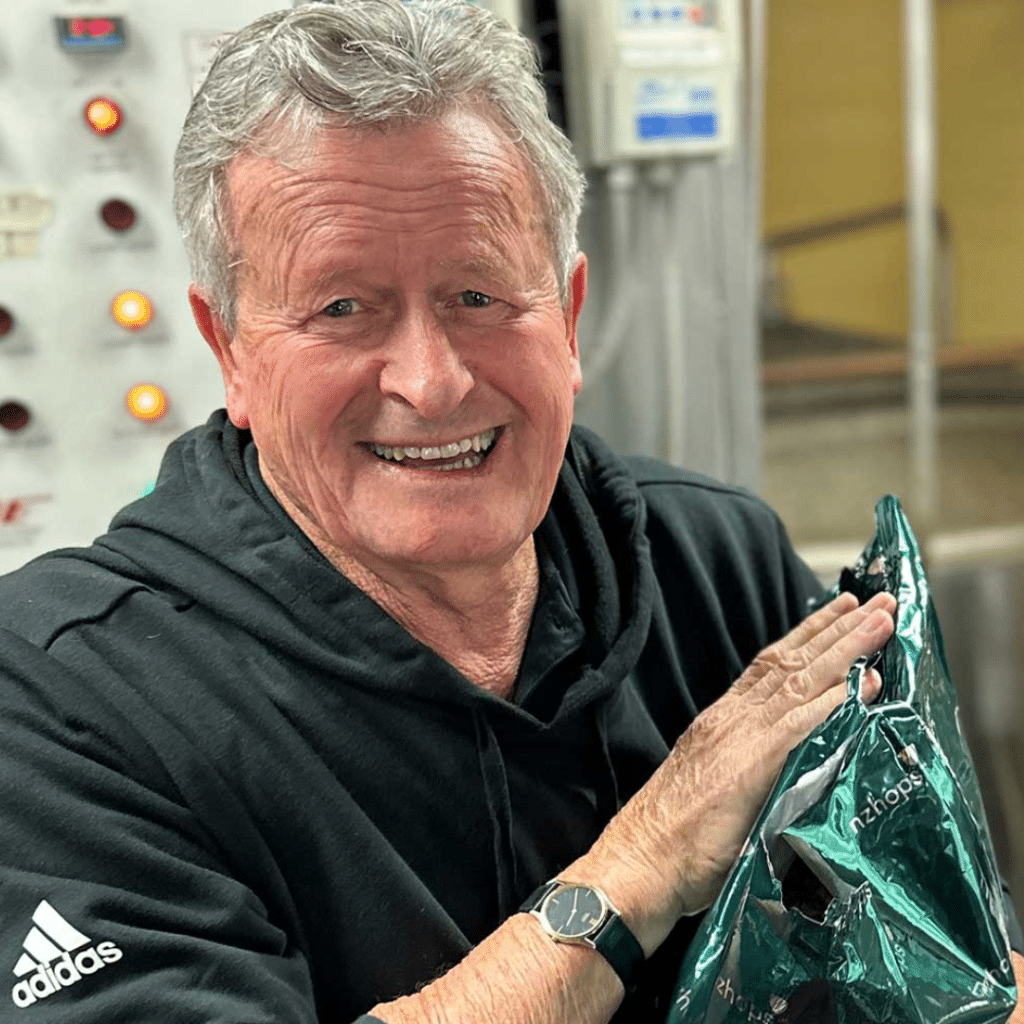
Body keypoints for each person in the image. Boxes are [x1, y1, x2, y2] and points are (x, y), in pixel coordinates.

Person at [0, 2, 1018, 1021]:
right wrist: (649, 853)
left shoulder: (714, 560)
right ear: (229, 352)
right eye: (342, 308)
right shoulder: (63, 698)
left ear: (568, 318)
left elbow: (957, 965)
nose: (433, 383)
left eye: (478, 296)